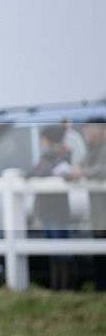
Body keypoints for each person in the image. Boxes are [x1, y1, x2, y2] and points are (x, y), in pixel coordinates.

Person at [28, 125, 74, 290]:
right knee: (53, 250)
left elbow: (46, 171)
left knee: (62, 249)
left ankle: (66, 286)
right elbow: (36, 171)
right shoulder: (47, 155)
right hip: (47, 209)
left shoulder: (62, 155)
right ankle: (57, 286)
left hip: (57, 209)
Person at [68, 117, 106, 291]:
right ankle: (100, 286)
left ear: (98, 129)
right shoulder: (91, 148)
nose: (84, 134)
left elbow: (101, 170)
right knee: (99, 248)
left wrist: (82, 171)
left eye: (87, 129)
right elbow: (80, 165)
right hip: (98, 211)